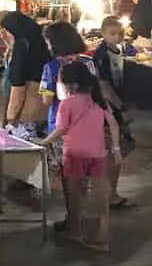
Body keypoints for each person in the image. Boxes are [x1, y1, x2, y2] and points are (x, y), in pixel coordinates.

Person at [38, 61, 121, 252]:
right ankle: (103, 234)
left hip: (74, 154)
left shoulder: (67, 104)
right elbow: (114, 124)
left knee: (73, 194)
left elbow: (61, 129)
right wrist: (116, 150)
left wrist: (44, 142)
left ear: (72, 85)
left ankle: (75, 231)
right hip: (97, 153)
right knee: (101, 195)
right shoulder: (99, 100)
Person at [90, 15, 136, 207]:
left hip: (117, 105)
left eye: (120, 33)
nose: (117, 37)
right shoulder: (100, 56)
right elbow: (104, 86)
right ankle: (109, 193)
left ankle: (109, 191)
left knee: (119, 148)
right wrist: (120, 107)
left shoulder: (120, 50)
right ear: (103, 33)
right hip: (110, 109)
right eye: (113, 33)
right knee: (116, 149)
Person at [0, 10, 51, 128]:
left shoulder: (21, 45)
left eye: (6, 30)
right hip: (45, 105)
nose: (5, 34)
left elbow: (18, 84)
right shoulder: (39, 41)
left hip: (28, 107)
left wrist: (11, 115)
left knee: (25, 142)